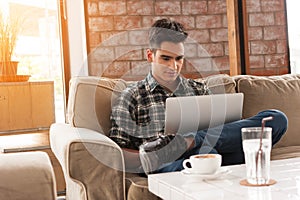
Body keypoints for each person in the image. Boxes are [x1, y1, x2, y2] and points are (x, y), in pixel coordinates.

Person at [109, 18, 288, 174]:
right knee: (205, 159)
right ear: (150, 55)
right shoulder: (130, 97)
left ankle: (189, 141)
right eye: (166, 58)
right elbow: (117, 153)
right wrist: (155, 155)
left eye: (179, 59)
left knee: (277, 119)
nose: (174, 66)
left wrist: (196, 139)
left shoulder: (198, 90)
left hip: (214, 152)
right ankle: (192, 148)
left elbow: (225, 134)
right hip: (170, 164)